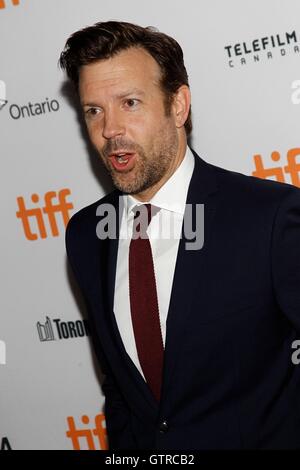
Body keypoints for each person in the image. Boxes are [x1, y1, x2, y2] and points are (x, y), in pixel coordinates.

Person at [60, 21, 300, 450]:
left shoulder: (269, 217)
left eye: (130, 103)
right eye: (93, 110)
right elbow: (120, 390)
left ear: (179, 105)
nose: (110, 128)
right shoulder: (85, 234)